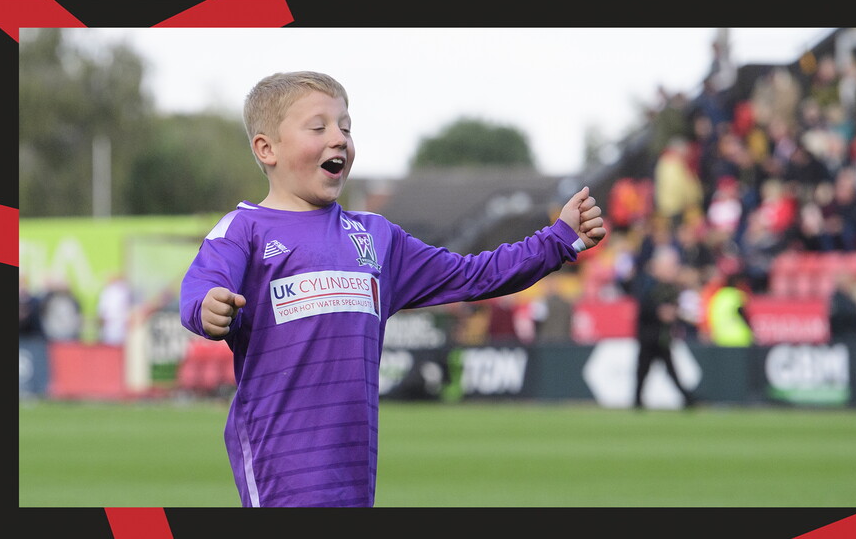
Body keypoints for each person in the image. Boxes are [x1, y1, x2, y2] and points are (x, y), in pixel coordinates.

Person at [178, 71, 607, 508]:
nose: (339, 138)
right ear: (266, 148)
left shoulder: (378, 238)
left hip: (354, 476)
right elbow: (201, 286)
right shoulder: (244, 229)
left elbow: (473, 274)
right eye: (318, 126)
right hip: (281, 473)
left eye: (346, 126)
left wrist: (558, 239)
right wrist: (206, 307)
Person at [633, 246, 696, 410]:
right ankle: (638, 401)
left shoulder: (670, 287)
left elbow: (674, 309)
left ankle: (687, 399)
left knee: (668, 371)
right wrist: (659, 311)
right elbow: (644, 308)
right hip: (649, 336)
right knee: (644, 371)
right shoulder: (647, 283)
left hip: (662, 337)